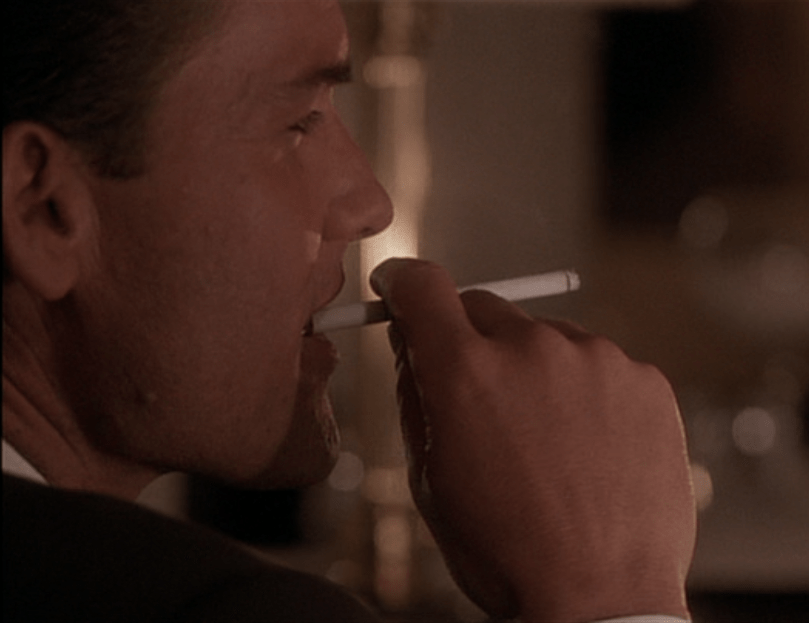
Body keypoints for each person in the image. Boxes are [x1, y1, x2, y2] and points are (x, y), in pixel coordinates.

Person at [2, 1, 696, 621]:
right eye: (299, 122)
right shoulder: (227, 609)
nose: (371, 205)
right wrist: (610, 594)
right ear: (43, 207)